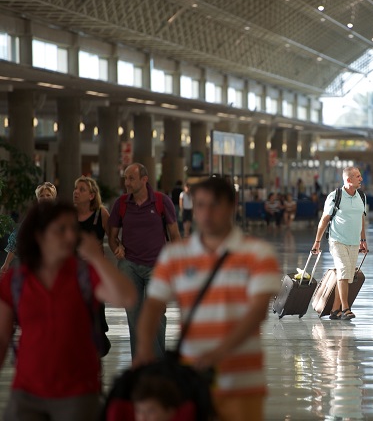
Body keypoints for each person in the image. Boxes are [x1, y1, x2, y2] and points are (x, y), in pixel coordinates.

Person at [135, 177, 281, 421]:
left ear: (232, 205)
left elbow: (257, 312)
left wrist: (218, 354)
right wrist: (143, 351)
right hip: (191, 382)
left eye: (215, 205)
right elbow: (152, 306)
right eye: (200, 205)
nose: (206, 213)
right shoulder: (175, 255)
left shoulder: (258, 253)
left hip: (242, 383)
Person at [0, 201, 136, 421]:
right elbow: (2, 336)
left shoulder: (83, 274)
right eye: (61, 229)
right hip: (27, 391)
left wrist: (96, 258)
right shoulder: (17, 281)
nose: (70, 236)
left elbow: (126, 297)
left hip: (78, 392)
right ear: (39, 235)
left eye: (73, 229)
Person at [108, 163, 181, 359]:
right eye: (125, 178)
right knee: (134, 316)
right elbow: (112, 236)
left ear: (144, 179)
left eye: (131, 178)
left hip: (157, 266)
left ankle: (155, 365)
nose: (127, 183)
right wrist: (116, 248)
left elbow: (174, 235)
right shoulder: (121, 204)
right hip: (129, 266)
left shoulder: (161, 201)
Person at [311, 167, 368, 320]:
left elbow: (361, 218)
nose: (361, 179)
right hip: (337, 241)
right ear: (349, 180)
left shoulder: (361, 196)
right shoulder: (335, 196)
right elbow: (324, 219)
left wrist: (363, 240)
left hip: (354, 242)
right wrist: (317, 241)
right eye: (358, 176)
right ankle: (345, 308)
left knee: (346, 276)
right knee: (343, 271)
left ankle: (335, 309)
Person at [73, 176, 111, 354]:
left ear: (91, 195)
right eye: (75, 188)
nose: (76, 192)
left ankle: (97, 346)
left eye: (82, 189)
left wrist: (119, 250)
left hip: (95, 272)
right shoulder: (69, 216)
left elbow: (113, 238)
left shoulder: (101, 214)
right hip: (74, 272)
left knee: (96, 312)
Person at [1, 182, 57, 274]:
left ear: (53, 197)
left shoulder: (59, 216)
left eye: (48, 195)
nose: (45, 198)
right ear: (38, 199)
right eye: (42, 196)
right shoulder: (32, 217)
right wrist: (6, 263)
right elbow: (16, 239)